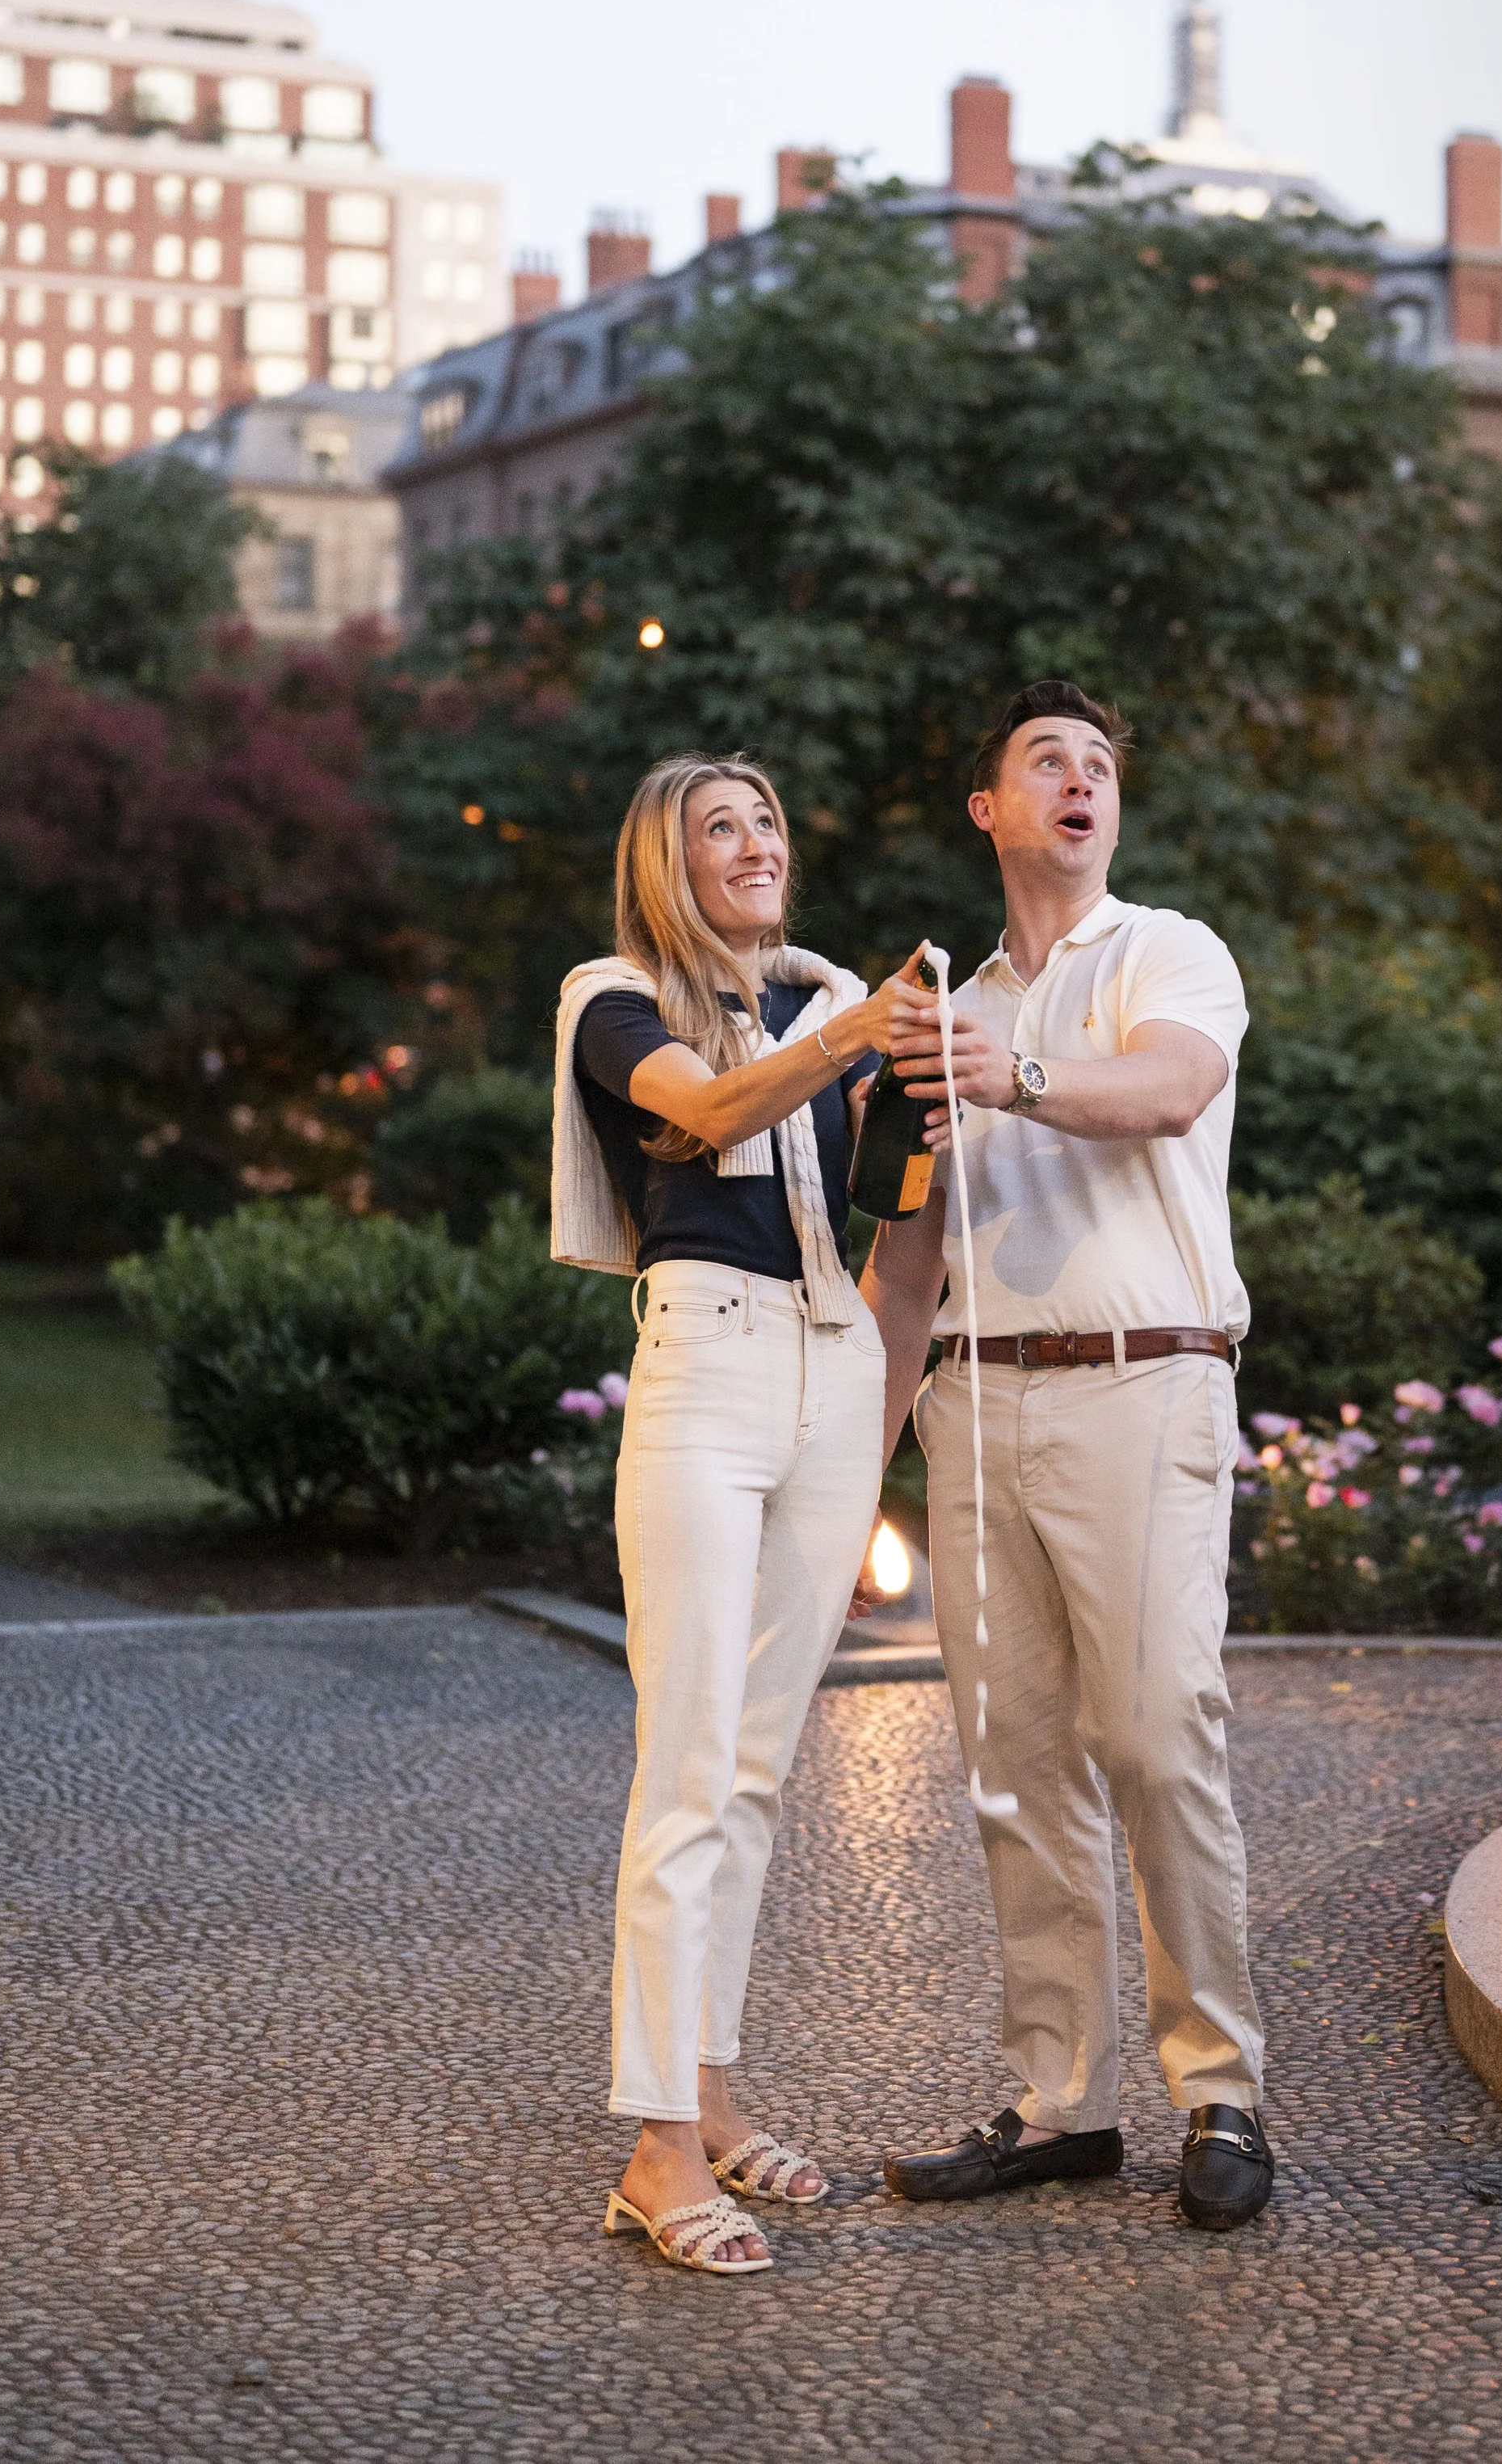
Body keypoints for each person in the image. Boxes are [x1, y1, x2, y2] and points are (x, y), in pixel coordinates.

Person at [861, 681, 1273, 2232]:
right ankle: (1061, 2101)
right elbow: (906, 1267)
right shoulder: (938, 1006)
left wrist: (1013, 1073)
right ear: (990, 807)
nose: (1082, 782)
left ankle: (1221, 2092)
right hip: (975, 1401)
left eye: (1102, 764)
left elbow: (1171, 1089)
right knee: (1014, 1764)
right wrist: (858, 1474)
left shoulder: (1166, 952)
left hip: (1143, 1379)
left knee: (1163, 1736)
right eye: (1049, 761)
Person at [550, 750, 929, 2279]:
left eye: (768, 818)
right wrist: (849, 1030)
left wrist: (916, 1106)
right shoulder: (613, 997)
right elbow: (706, 1116)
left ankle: (707, 2092)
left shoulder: (830, 1001)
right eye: (723, 825)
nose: (757, 840)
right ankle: (652, 2145)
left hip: (833, 1368)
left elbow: (899, 1227)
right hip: (704, 1359)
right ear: (671, 863)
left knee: (762, 1766)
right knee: (689, 1759)